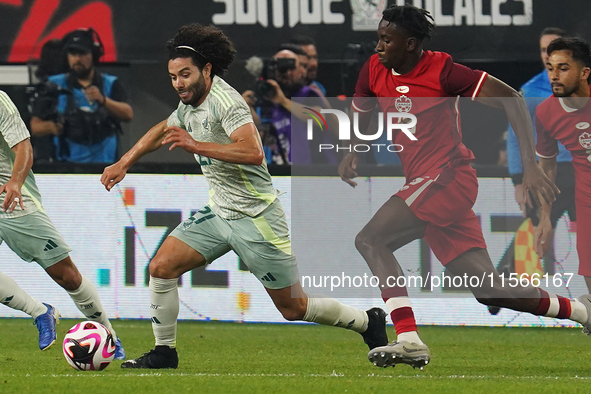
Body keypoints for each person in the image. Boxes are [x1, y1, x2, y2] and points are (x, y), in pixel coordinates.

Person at [100, 23, 388, 369]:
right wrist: (124, 162)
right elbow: (163, 128)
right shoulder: (190, 103)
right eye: (173, 76)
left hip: (256, 218)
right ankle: (165, 351)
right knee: (161, 268)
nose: (178, 83)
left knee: (293, 308)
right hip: (220, 213)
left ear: (206, 70)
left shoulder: (227, 102)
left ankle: (366, 321)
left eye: (185, 75)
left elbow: (254, 153)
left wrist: (195, 144)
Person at [338, 4, 590, 370]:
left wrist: (532, 165)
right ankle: (584, 312)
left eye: (386, 40)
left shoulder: (443, 70)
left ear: (410, 44)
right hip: (425, 183)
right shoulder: (375, 68)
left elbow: (511, 99)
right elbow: (360, 109)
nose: (378, 46)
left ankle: (408, 338)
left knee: (370, 240)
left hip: (447, 176)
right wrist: (352, 151)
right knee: (489, 289)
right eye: (378, 37)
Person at [0, 89, 124, 358]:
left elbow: (23, 148)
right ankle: (40, 312)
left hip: (10, 197)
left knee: (65, 275)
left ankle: (109, 336)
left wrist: (15, 183)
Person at [506, 27, 574, 272]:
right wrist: (517, 179)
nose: (548, 54)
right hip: (546, 173)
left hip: (581, 171)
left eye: (553, 48)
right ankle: (505, 286)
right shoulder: (529, 92)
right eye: (544, 50)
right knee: (537, 231)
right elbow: (514, 138)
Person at [535, 37, 591, 293]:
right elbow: (546, 169)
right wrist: (545, 216)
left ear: (584, 73)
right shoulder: (546, 112)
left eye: (563, 68)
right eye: (550, 67)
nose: (554, 75)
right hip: (587, 202)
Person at [30, 28, 133, 163]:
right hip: (66, 167)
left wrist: (103, 100)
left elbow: (128, 114)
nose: (77, 58)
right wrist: (52, 127)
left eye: (82, 53)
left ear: (93, 55)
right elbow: (34, 127)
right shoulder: (54, 85)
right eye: (73, 53)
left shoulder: (110, 83)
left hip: (106, 166)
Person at [245, 46, 336, 165]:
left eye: (291, 67)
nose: (287, 73)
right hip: (284, 169)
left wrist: (283, 101)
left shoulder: (309, 93)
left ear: (302, 71)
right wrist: (247, 110)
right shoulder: (269, 99)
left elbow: (319, 117)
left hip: (313, 170)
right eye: (281, 68)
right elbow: (264, 135)